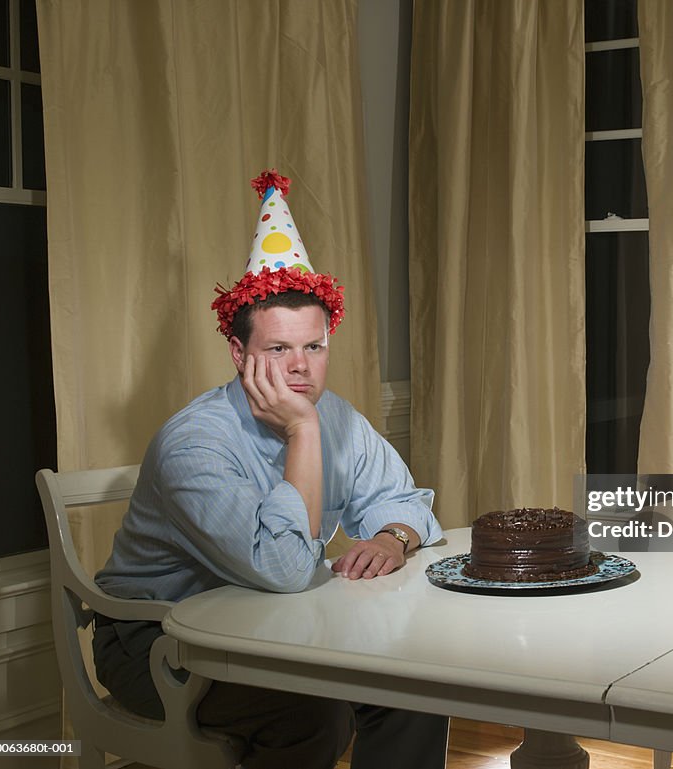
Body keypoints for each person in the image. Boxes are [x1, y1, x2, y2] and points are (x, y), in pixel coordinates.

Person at [92, 170, 448, 769]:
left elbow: (405, 498)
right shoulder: (193, 443)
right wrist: (301, 431)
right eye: (278, 349)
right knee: (311, 712)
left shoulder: (339, 418)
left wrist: (393, 534)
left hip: (275, 625)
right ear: (239, 353)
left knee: (417, 685)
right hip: (158, 640)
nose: (301, 369)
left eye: (314, 346)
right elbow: (282, 570)